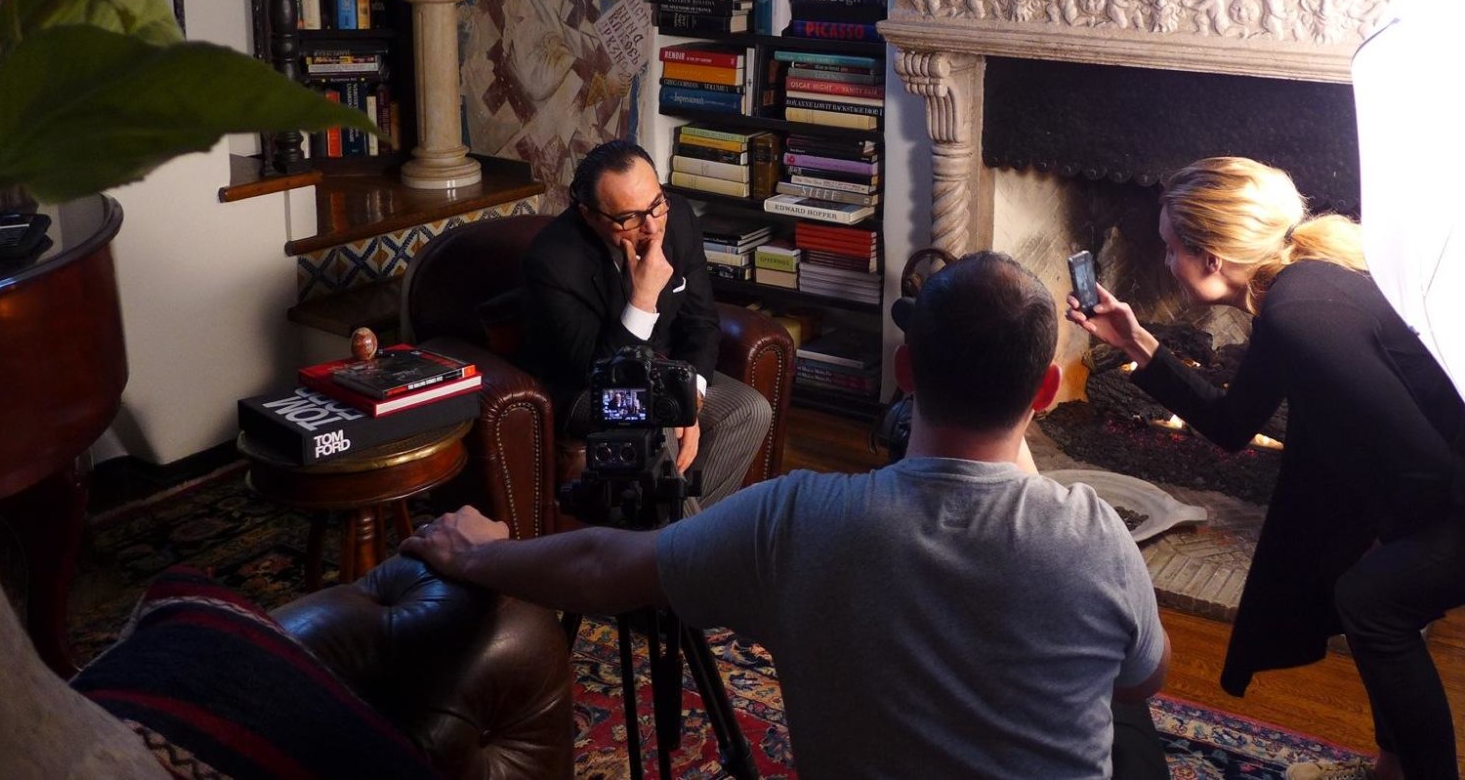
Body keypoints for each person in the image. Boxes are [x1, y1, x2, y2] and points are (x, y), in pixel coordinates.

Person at [406, 251, 1172, 779]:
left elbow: (603, 565)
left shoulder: (796, 519)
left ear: (905, 372)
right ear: (1045, 393)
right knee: (1123, 714)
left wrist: (474, 552)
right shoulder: (1097, 536)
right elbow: (1146, 679)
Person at [1067, 156, 1465, 780]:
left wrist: (1382, 539)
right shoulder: (1295, 292)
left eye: (1171, 248)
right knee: (1367, 585)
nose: (1167, 262)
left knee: (1372, 599)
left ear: (1211, 258)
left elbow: (1424, 470)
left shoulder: (1301, 312)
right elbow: (1233, 425)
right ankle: (1391, 766)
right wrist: (1135, 342)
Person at [517, 139, 770, 510]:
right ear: (590, 215)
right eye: (630, 218)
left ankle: (690, 532)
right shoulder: (553, 260)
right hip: (585, 390)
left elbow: (701, 322)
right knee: (656, 416)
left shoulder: (677, 218)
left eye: (656, 204)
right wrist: (643, 299)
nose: (652, 226)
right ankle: (679, 541)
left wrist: (691, 398)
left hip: (662, 371)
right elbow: (593, 373)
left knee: (749, 410)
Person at [463, 0, 632, 201]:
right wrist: (594, 79)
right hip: (514, 81)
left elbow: (584, 31)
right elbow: (531, 55)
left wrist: (608, 70)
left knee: (618, 87)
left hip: (554, 67)